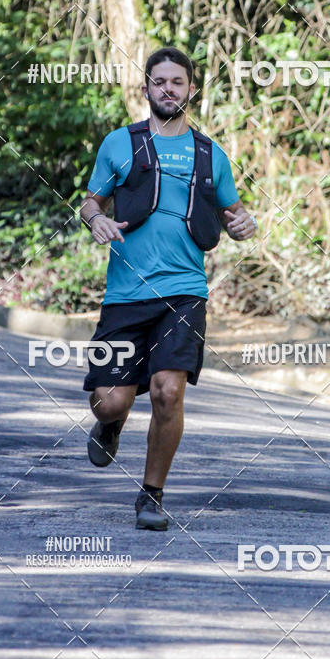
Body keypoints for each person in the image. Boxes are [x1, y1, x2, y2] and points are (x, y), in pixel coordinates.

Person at [80, 47, 257, 530]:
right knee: (110, 398)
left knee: (167, 392)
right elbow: (90, 201)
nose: (168, 89)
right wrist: (96, 219)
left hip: (184, 292)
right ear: (146, 89)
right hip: (125, 295)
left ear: (191, 90)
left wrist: (244, 223)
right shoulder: (119, 144)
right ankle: (109, 424)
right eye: (159, 82)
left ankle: (151, 496)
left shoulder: (211, 154)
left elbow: (232, 212)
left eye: (177, 82)